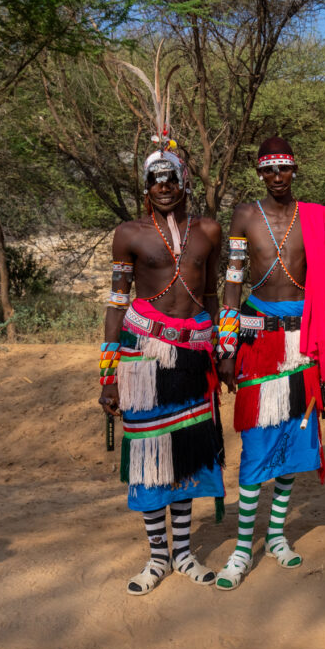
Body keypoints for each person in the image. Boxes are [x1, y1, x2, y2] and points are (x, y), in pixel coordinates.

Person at [98, 99, 224, 595]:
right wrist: (107, 374)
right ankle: (156, 559)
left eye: (171, 178)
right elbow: (115, 302)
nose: (164, 187)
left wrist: (222, 350)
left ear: (184, 180)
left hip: (194, 355)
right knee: (150, 454)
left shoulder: (208, 231)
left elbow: (213, 296)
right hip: (141, 356)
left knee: (187, 452)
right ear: (146, 187)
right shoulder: (128, 235)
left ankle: (186, 554)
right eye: (155, 180)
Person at [214, 137, 325, 590]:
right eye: (269, 169)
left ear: (295, 170)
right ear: (259, 173)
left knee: (292, 441)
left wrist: (323, 348)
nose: (277, 177)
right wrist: (227, 345)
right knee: (255, 446)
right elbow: (232, 281)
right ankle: (240, 549)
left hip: (303, 341)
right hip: (259, 338)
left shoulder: (315, 217)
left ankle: (277, 536)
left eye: (284, 168)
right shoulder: (245, 215)